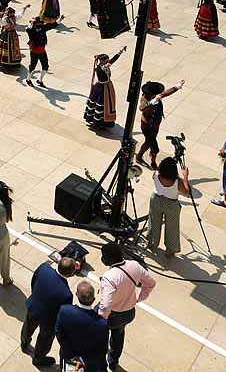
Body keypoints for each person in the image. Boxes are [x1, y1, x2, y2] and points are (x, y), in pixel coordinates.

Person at [97, 242, 155, 370]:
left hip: (113, 315)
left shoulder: (109, 277)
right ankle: (113, 362)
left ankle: (100, 363)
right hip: (129, 313)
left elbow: (105, 305)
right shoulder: (134, 265)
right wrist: (138, 299)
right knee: (118, 336)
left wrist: (102, 319)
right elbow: (151, 283)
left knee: (99, 338)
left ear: (108, 259)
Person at [22, 256, 78, 368]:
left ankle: (24, 343)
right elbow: (63, 312)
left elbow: (34, 281)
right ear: (70, 274)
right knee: (44, 340)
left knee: (27, 327)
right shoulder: (66, 294)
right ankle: (38, 359)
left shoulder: (44, 268)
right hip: (49, 320)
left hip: (34, 306)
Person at [55, 280, 110, 372]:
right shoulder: (101, 324)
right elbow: (102, 349)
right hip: (88, 363)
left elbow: (59, 333)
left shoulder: (64, 311)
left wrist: (71, 354)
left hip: (69, 357)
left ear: (76, 295)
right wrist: (83, 360)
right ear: (93, 299)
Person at [134, 80, 184, 170]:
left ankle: (139, 156)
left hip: (155, 126)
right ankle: (153, 162)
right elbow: (141, 107)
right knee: (155, 148)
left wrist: (177, 87)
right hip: (148, 127)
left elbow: (165, 93)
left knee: (148, 142)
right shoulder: (145, 99)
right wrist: (153, 102)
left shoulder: (156, 96)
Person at [146, 156, 190, 257]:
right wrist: (185, 177)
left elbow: (154, 179)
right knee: (172, 227)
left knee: (153, 221)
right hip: (171, 204)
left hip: (156, 200)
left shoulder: (156, 174)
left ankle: (152, 243)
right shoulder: (177, 181)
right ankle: (170, 249)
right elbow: (187, 192)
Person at [84, 49, 126, 130]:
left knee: (107, 106)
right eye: (106, 61)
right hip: (101, 89)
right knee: (100, 105)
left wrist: (120, 52)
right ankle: (98, 123)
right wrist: (105, 67)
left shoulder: (104, 65)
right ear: (102, 61)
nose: (108, 62)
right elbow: (102, 72)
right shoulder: (99, 69)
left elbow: (113, 60)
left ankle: (104, 123)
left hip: (107, 87)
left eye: (108, 61)